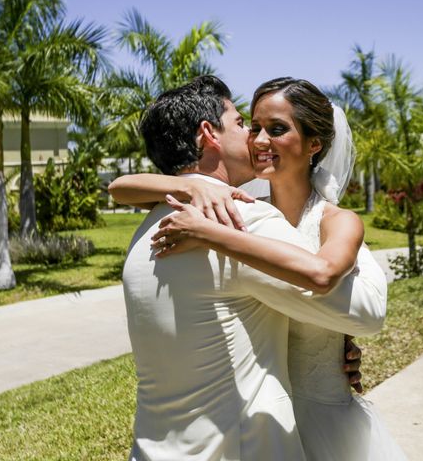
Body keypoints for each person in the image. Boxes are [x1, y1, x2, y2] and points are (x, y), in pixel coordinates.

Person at [113, 77, 406, 460]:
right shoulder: (240, 215)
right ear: (208, 134)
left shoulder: (152, 222)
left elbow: (326, 284)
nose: (257, 140)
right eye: (246, 125)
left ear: (314, 144)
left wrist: (332, 339)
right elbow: (364, 309)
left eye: (275, 129)